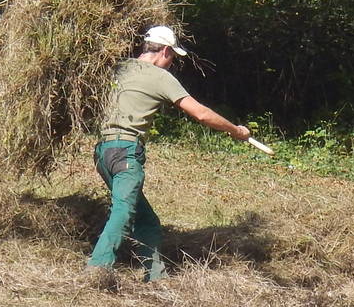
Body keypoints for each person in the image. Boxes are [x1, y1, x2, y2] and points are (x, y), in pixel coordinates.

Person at [86, 25, 250, 286]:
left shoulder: (118, 68)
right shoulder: (160, 77)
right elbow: (201, 113)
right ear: (164, 51)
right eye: (172, 56)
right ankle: (98, 267)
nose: (171, 63)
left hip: (103, 153)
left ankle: (156, 277)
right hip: (126, 152)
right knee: (123, 211)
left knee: (146, 220)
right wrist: (235, 130)